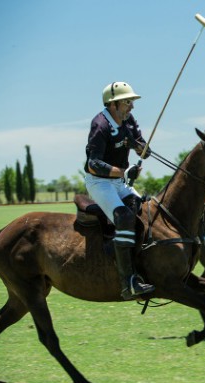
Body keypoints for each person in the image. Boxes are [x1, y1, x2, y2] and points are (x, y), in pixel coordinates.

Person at [84, 81, 155, 300]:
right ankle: (128, 283)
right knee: (123, 216)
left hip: (119, 182)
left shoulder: (128, 120)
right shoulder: (100, 124)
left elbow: (142, 148)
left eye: (131, 102)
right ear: (113, 104)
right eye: (127, 102)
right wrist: (122, 172)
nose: (131, 107)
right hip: (99, 183)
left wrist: (142, 149)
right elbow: (92, 163)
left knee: (143, 209)